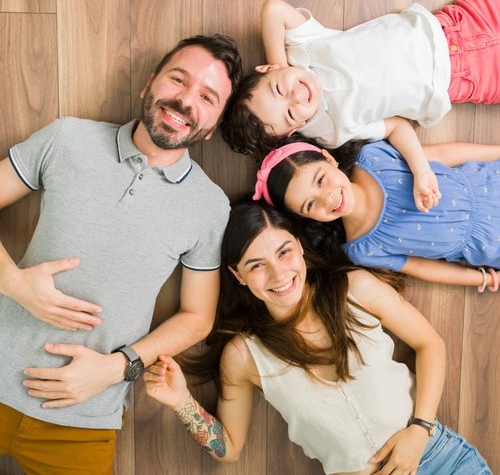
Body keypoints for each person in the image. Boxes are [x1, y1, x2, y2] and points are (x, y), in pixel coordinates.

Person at [0, 34, 242, 474]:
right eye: (178, 79)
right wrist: (13, 282)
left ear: (215, 122)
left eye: (207, 97)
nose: (186, 100)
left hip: (83, 417)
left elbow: (197, 317)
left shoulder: (210, 206)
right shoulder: (67, 137)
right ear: (149, 84)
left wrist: (117, 369)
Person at [144, 199, 492, 475]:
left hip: (441, 460)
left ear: (299, 246)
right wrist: (182, 403)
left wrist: (419, 429)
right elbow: (230, 449)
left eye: (284, 252)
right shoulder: (242, 355)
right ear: (237, 275)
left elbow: (430, 344)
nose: (279, 273)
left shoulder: (354, 288)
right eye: (256, 264)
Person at [222, 0, 500, 211]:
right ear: (295, 127)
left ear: (268, 67)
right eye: (291, 112)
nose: (296, 96)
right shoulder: (330, 131)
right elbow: (396, 127)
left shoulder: (302, 51)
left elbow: (273, 9)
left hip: (456, 25)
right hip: (466, 80)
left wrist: (281, 66)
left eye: (279, 88)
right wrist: (421, 170)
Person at [252, 138, 500, 290]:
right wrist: (481, 280)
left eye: (321, 180)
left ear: (329, 159)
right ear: (307, 218)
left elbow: (443, 155)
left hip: (489, 181)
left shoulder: (371, 158)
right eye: (309, 205)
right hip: (489, 244)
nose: (326, 198)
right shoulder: (362, 250)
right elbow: (422, 267)